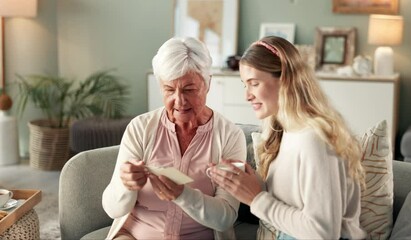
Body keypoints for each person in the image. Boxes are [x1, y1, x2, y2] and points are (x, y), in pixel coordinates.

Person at [208, 36, 367, 239]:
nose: (247, 95)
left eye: (254, 83)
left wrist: (256, 198)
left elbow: (324, 231)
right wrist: (248, 181)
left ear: (285, 80)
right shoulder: (284, 131)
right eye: (244, 85)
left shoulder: (314, 139)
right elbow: (293, 201)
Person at [102, 37, 247, 240]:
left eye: (189, 89)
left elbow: (225, 218)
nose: (179, 101)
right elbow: (113, 210)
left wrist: (183, 195)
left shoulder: (230, 136)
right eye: (169, 89)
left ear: (208, 84)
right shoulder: (140, 128)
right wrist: (125, 185)